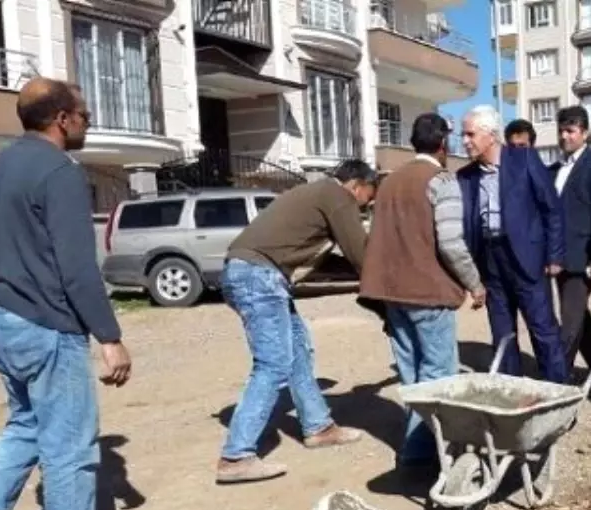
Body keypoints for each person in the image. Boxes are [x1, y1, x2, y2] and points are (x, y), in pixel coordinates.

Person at [0, 77, 138, 510]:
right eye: (85, 114)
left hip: (4, 320)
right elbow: (76, 267)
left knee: (23, 428)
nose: (88, 122)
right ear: (62, 119)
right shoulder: (59, 172)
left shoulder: (0, 167)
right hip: (47, 323)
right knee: (70, 443)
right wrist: (109, 337)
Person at [218, 160, 377, 485]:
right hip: (258, 276)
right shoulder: (337, 196)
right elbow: (359, 253)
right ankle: (236, 455)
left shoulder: (317, 193)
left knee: (298, 351)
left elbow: (334, 257)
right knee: (273, 364)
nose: (366, 204)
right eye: (368, 197)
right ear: (357, 185)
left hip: (254, 273)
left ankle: (318, 427)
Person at [359, 113, 485, 467]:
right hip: (427, 293)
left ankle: (419, 449)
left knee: (412, 374)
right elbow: (451, 243)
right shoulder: (441, 180)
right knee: (438, 375)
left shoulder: (390, 182)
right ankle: (422, 451)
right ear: (443, 144)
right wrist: (474, 284)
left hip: (392, 294)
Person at [458, 105, 568, 384]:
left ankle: (558, 392)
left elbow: (551, 209)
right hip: (490, 258)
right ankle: (510, 391)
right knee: (502, 331)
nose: (465, 141)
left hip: (527, 257)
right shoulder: (466, 176)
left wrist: (554, 255)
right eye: (463, 135)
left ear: (490, 135)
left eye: (470, 134)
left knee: (542, 328)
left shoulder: (525, 159)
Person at [548, 105, 591, 386]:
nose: (565, 136)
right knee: (578, 316)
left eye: (571, 130)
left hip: (584, 258)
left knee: (570, 322)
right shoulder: (556, 168)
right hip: (559, 258)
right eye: (561, 130)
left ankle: (558, 380)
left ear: (585, 133)